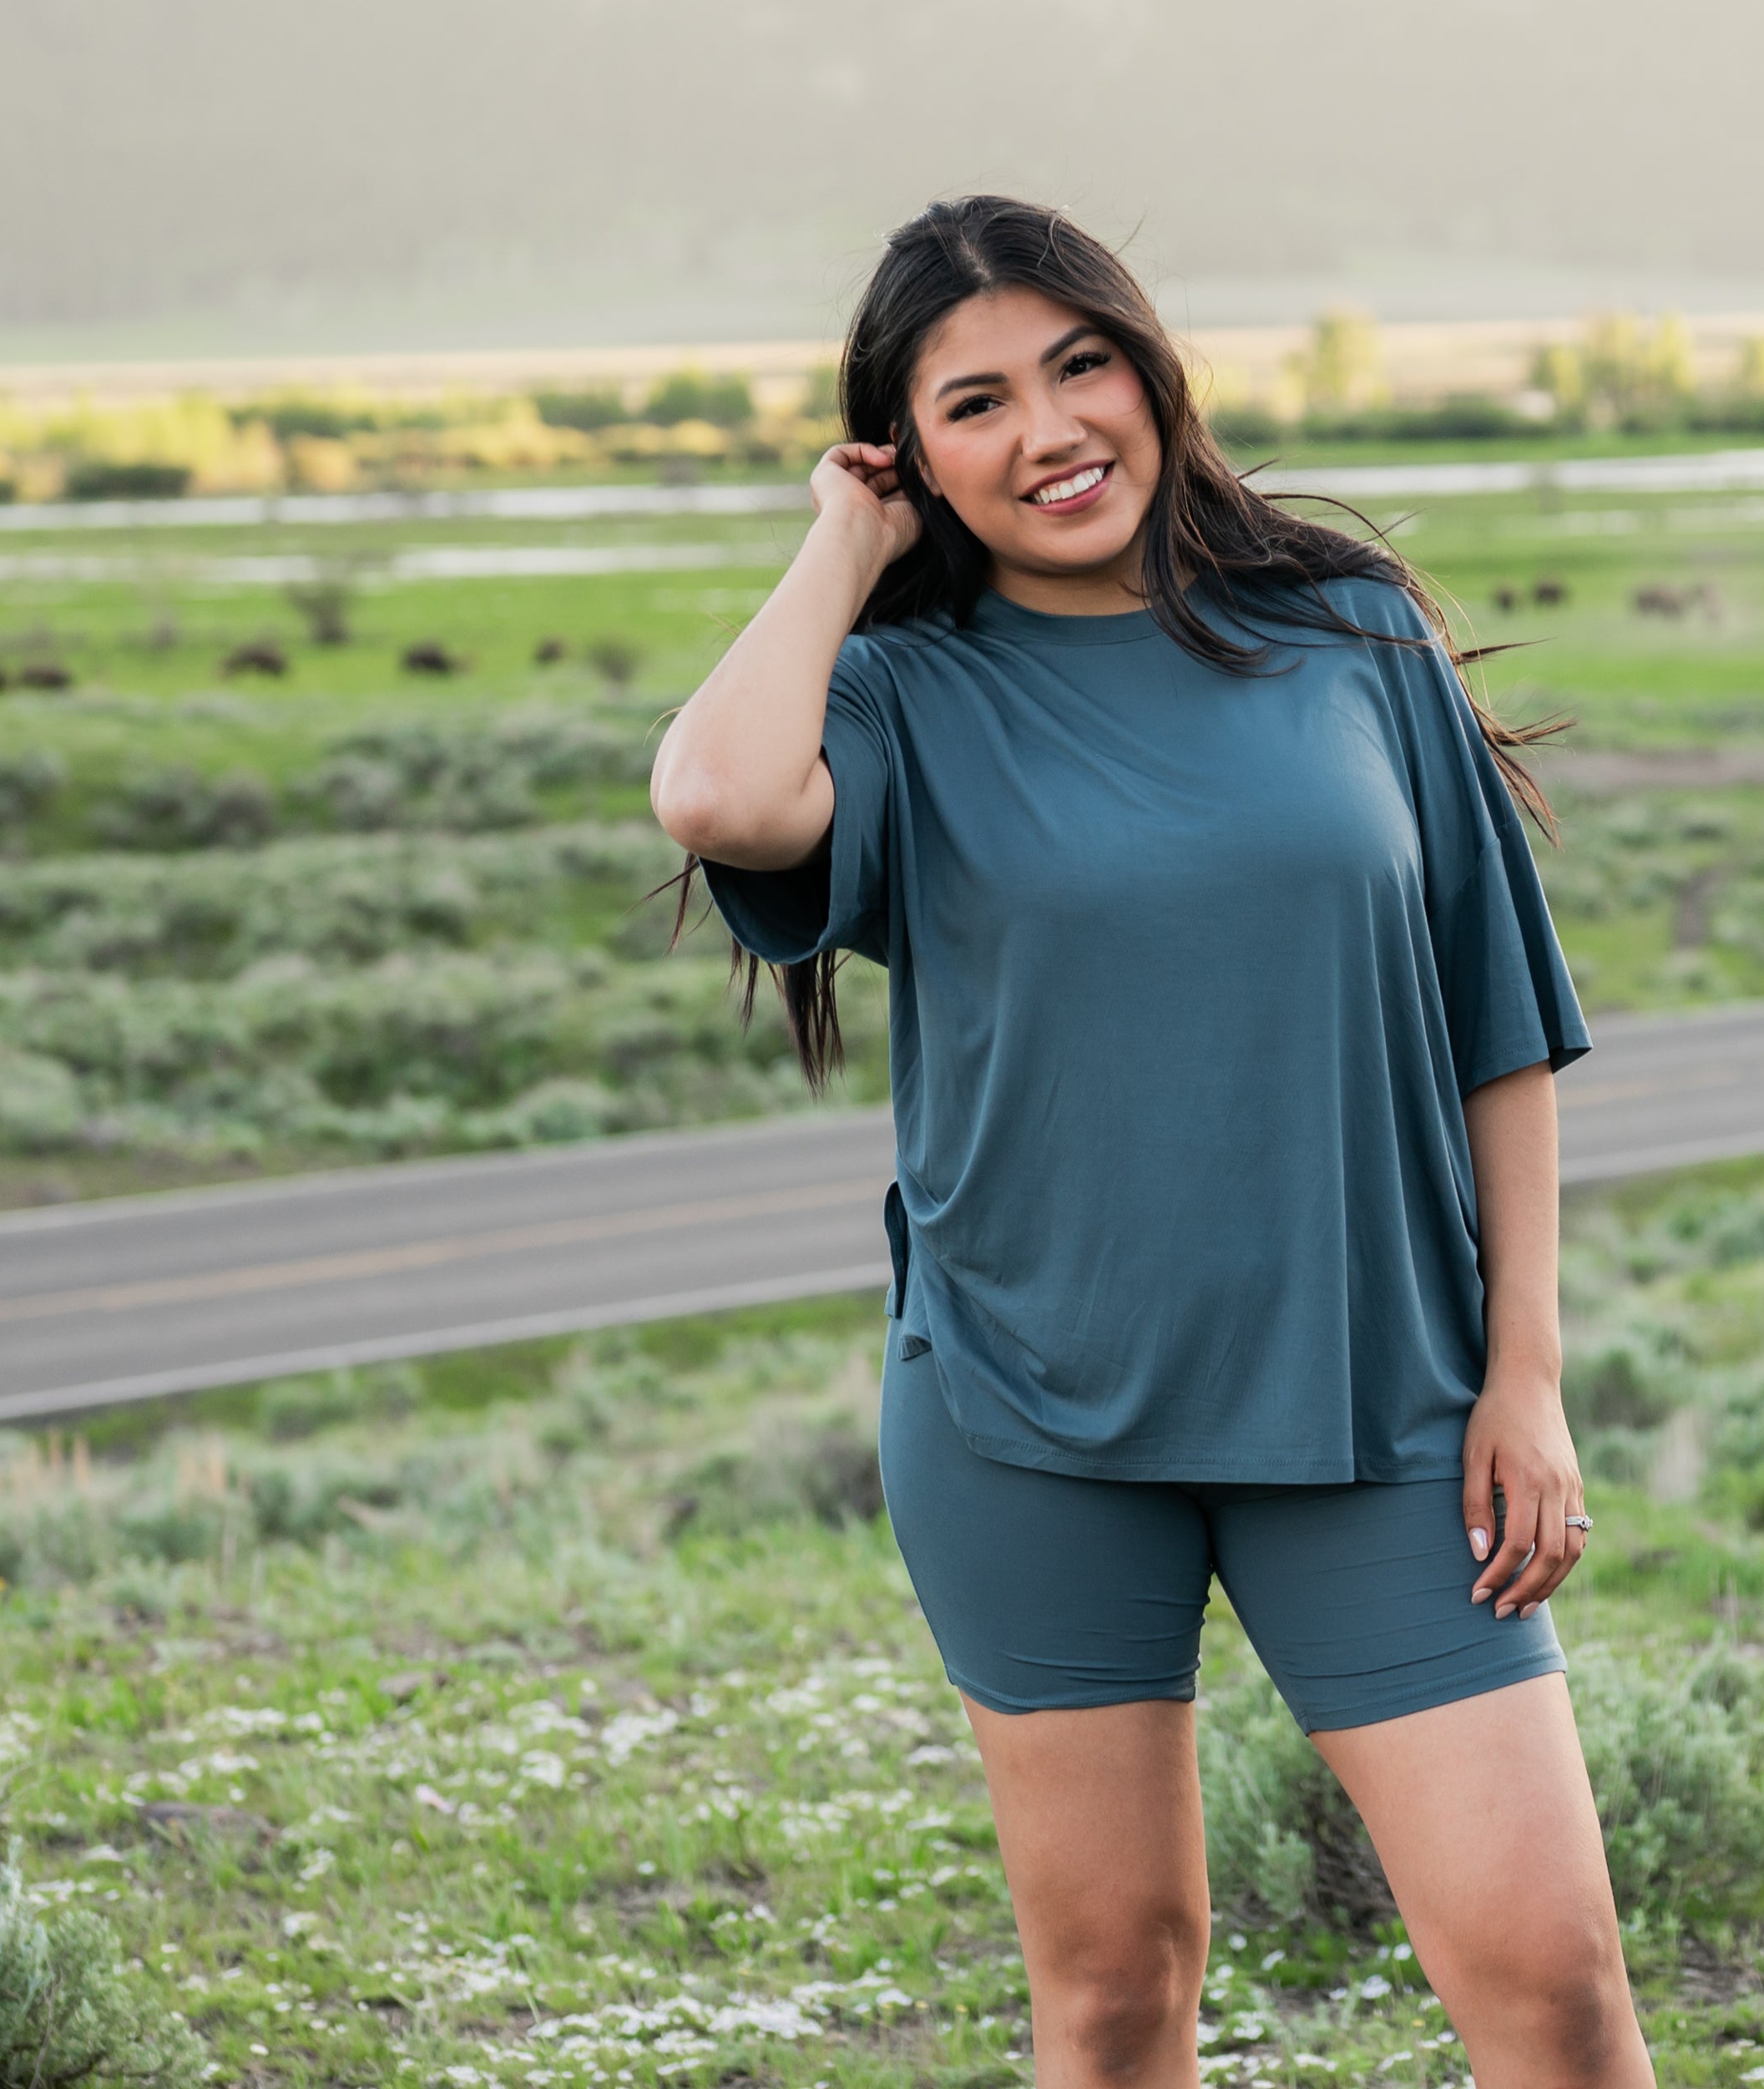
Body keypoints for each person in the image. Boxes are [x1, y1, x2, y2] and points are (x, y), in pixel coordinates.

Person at [652, 196, 1655, 2089]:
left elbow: (1499, 1027)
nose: (1048, 430)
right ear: (908, 454)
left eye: (1079, 364)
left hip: (1379, 1407)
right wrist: (840, 546)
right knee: (1116, 1993)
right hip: (1025, 1419)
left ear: (1150, 370)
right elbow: (713, 792)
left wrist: (1523, 1373)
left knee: (1554, 1979)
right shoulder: (900, 699)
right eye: (974, 404)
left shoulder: (1351, 635)